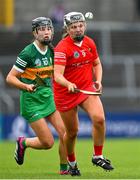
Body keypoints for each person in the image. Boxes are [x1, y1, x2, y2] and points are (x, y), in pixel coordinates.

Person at [53, 12, 114, 176]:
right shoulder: (62, 48)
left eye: (80, 26)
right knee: (72, 132)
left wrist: (98, 81)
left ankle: (98, 155)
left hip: (86, 88)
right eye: (74, 27)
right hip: (65, 92)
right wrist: (68, 84)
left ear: (84, 26)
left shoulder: (89, 42)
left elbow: (97, 63)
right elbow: (57, 75)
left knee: (99, 119)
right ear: (68, 29)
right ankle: (72, 163)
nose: (78, 29)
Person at [6, 17, 69, 175]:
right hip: (31, 102)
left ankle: (64, 170)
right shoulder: (28, 53)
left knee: (66, 134)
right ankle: (23, 142)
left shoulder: (52, 51)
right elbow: (10, 77)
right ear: (35, 32)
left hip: (49, 99)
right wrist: (25, 86)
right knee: (48, 143)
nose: (46, 32)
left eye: (48, 29)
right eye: (42, 29)